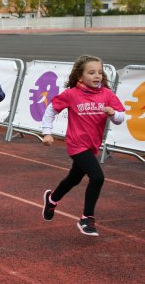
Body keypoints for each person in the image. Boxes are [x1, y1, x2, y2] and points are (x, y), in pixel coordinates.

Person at [41, 55, 125, 237]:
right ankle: (87, 218)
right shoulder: (71, 94)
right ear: (80, 77)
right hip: (77, 144)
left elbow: (120, 118)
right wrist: (47, 132)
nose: (97, 76)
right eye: (92, 72)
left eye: (100, 73)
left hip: (92, 144)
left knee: (74, 178)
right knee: (97, 177)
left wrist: (113, 114)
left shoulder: (107, 95)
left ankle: (52, 198)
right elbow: (51, 109)